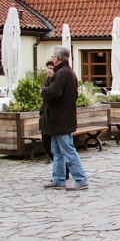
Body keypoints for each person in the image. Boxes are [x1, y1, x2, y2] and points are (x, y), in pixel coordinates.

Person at [41, 46, 89, 191]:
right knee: (57, 150)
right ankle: (59, 178)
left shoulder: (61, 74)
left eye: (53, 57)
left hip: (60, 119)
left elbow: (54, 92)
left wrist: (43, 90)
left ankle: (81, 179)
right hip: (62, 118)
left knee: (67, 150)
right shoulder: (69, 73)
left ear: (57, 58)